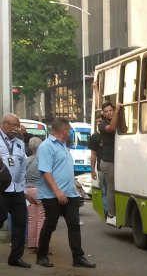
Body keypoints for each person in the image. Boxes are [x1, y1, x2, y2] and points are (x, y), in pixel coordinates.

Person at [35, 117, 96, 268]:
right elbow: (45, 171)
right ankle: (41, 255)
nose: (69, 133)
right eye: (68, 130)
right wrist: (57, 191)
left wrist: (73, 184)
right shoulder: (46, 147)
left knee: (74, 225)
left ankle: (78, 257)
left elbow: (63, 168)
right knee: (50, 224)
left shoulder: (63, 146)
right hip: (52, 195)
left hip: (70, 194)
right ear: (63, 131)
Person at [0, 113, 31, 268]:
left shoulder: (19, 143)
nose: (17, 129)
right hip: (1, 190)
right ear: (4, 124)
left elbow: (23, 167)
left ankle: (15, 257)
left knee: (20, 223)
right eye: (14, 125)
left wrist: (23, 188)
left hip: (17, 190)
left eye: (18, 126)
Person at [99, 102, 123, 226]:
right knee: (110, 188)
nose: (108, 112)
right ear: (103, 113)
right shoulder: (102, 124)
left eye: (110, 110)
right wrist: (117, 112)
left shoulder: (116, 119)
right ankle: (110, 215)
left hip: (116, 160)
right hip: (107, 161)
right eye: (106, 111)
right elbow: (112, 128)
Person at [25, 136, 44, 252]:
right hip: (40, 190)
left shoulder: (27, 160)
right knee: (42, 219)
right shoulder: (42, 160)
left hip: (28, 190)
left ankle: (31, 244)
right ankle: (41, 244)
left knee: (32, 219)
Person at [88, 114, 107, 218]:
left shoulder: (111, 134)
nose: (98, 124)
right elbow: (93, 154)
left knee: (109, 190)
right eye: (97, 122)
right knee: (104, 191)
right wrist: (92, 170)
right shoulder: (95, 137)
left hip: (113, 168)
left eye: (100, 121)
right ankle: (106, 211)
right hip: (100, 169)